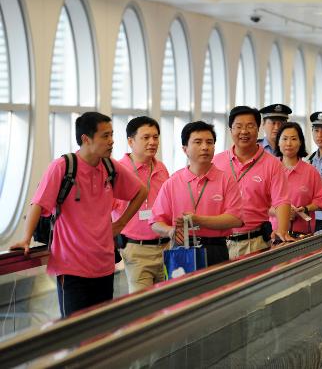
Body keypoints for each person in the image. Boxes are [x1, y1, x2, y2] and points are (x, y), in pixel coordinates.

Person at [11, 112, 147, 318]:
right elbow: (38, 203)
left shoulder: (109, 167)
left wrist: (120, 224)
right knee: (74, 332)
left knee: (100, 332)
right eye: (105, 136)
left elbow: (141, 192)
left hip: (104, 265)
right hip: (72, 267)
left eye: (112, 135)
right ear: (86, 138)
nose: (111, 141)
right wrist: (25, 238)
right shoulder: (63, 167)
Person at [151, 121, 243, 266]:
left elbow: (236, 219)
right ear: (185, 149)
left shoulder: (226, 180)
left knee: (218, 289)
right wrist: (170, 231)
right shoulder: (173, 182)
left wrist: (198, 220)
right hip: (182, 248)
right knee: (182, 289)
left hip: (215, 249)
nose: (205, 147)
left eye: (209, 142)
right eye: (198, 142)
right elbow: (155, 222)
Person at [212, 106, 293, 259]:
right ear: (230, 130)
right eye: (238, 126)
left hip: (254, 242)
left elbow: (282, 200)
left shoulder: (272, 164)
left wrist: (282, 231)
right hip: (219, 243)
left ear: (258, 129)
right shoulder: (217, 161)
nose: (244, 131)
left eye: (250, 126)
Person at [112, 116, 170, 293]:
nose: (152, 142)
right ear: (131, 141)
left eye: (156, 137)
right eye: (146, 138)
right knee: (142, 305)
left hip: (166, 248)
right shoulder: (117, 170)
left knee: (167, 303)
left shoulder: (161, 168)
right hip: (136, 249)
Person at [270, 122, 322, 235]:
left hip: (303, 235)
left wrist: (304, 209)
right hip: (274, 234)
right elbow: (262, 205)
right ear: (278, 142)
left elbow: (320, 203)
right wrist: (282, 212)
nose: (289, 143)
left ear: (300, 142)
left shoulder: (311, 171)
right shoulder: (270, 169)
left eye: (294, 139)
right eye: (284, 139)